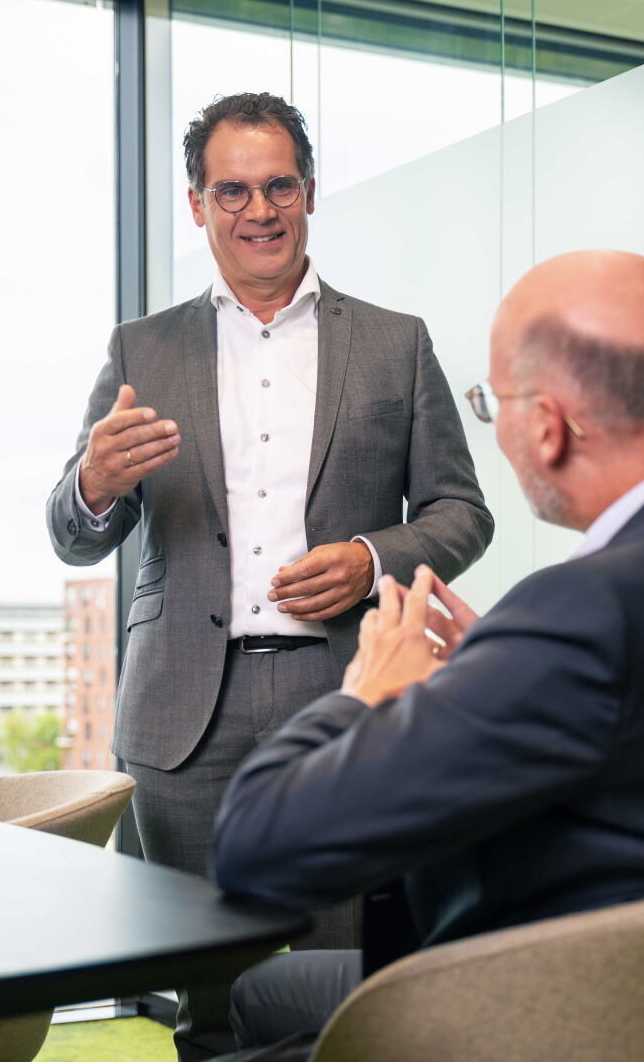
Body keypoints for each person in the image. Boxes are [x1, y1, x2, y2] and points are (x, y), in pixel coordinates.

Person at [211, 249, 644, 1059]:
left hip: (558, 1017)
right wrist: (503, 674)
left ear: (549, 426)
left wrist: (368, 694)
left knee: (254, 1011)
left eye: (491, 404)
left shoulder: (585, 615)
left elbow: (256, 846)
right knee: (269, 994)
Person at [46, 92, 493, 1060]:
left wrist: (371, 560)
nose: (260, 210)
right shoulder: (141, 348)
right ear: (198, 204)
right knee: (207, 1001)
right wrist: (93, 483)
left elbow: (462, 512)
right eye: (233, 191)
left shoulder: (395, 342)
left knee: (348, 995)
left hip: (345, 694)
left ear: (311, 192)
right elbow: (73, 537)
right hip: (182, 715)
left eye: (280, 186)